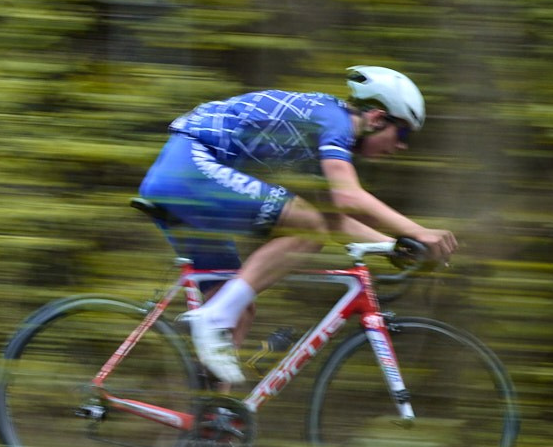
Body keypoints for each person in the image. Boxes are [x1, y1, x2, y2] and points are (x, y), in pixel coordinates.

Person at [141, 65, 456, 385]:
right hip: (189, 169)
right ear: (376, 118)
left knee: (238, 310)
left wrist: (393, 245)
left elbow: (334, 219)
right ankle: (211, 317)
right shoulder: (333, 120)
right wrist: (417, 232)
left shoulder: (320, 134)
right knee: (306, 231)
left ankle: (207, 422)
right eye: (401, 134)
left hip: (180, 179)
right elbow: (348, 198)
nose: (401, 146)